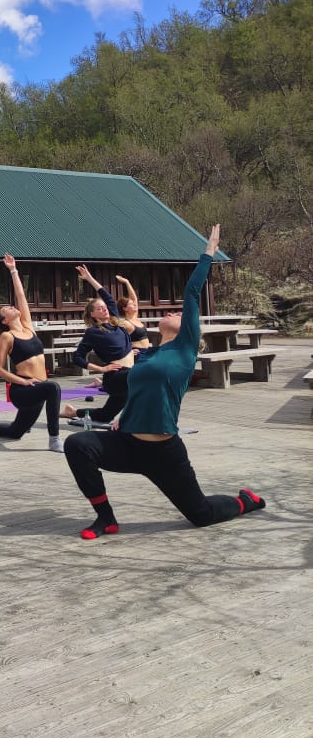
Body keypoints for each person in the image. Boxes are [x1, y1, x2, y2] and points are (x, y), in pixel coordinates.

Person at [63, 225, 266, 540]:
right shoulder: (145, 354)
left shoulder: (184, 349)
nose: (173, 311)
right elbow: (137, 392)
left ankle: (245, 501)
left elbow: (192, 292)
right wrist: (122, 416)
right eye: (171, 311)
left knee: (201, 515)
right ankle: (106, 519)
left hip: (163, 453)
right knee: (77, 445)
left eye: (178, 313)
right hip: (129, 444)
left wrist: (208, 252)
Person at [0, 254, 63, 451]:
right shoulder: (8, 336)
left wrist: (13, 270)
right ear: (4, 320)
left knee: (17, 431)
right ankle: (54, 439)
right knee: (53, 388)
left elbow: (21, 297)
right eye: (7, 308)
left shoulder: (28, 327)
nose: (13, 306)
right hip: (22, 390)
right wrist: (22, 381)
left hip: (36, 387)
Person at [60, 264, 136, 424]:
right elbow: (78, 357)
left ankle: (72, 412)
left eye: (105, 308)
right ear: (92, 314)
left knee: (106, 415)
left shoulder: (115, 321)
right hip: (115, 377)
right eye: (99, 309)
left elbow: (107, 296)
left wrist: (89, 278)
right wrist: (101, 369)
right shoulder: (93, 332)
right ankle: (140, 420)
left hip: (127, 374)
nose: (104, 309)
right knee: (145, 377)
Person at [115, 274, 151, 354]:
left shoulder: (134, 317)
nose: (134, 304)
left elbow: (134, 298)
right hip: (138, 352)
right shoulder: (125, 323)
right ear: (125, 308)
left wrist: (126, 282)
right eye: (131, 304)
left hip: (146, 351)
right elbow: (115, 339)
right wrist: (128, 350)